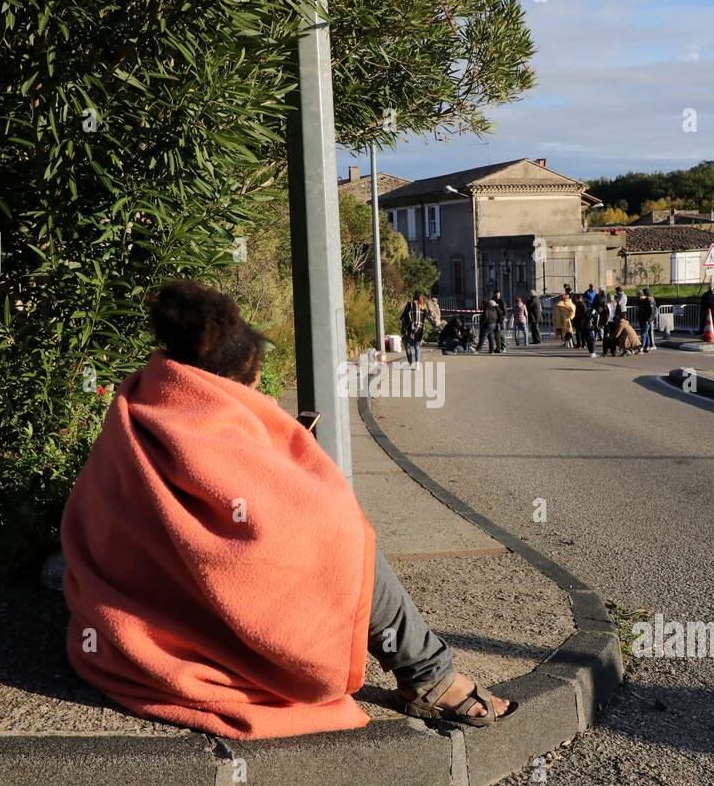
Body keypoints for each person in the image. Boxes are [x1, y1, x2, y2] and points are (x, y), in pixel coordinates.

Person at [61, 279, 512, 739]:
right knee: (348, 539)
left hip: (141, 615)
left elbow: (102, 517)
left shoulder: (141, 404)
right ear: (235, 384)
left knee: (335, 533)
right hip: (194, 629)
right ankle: (428, 675)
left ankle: (428, 671)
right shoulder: (213, 427)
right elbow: (287, 533)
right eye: (258, 385)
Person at [399, 290, 427, 368]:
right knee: (417, 346)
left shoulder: (410, 304)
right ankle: (417, 364)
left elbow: (403, 316)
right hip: (419, 329)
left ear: (414, 296)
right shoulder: (423, 306)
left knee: (407, 346)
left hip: (410, 329)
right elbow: (426, 317)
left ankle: (410, 364)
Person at [638, 287, 657, 352]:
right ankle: (647, 346)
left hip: (647, 319)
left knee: (645, 333)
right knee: (646, 333)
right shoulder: (643, 300)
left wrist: (649, 319)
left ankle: (644, 346)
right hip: (644, 319)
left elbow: (652, 311)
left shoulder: (650, 300)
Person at [492, 289, 508, 353]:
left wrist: (504, 317)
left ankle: (503, 347)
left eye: (499, 294)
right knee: (496, 334)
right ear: (494, 294)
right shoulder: (492, 300)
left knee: (501, 333)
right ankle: (498, 347)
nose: (498, 295)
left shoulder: (501, 301)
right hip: (495, 319)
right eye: (497, 294)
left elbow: (504, 310)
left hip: (502, 319)